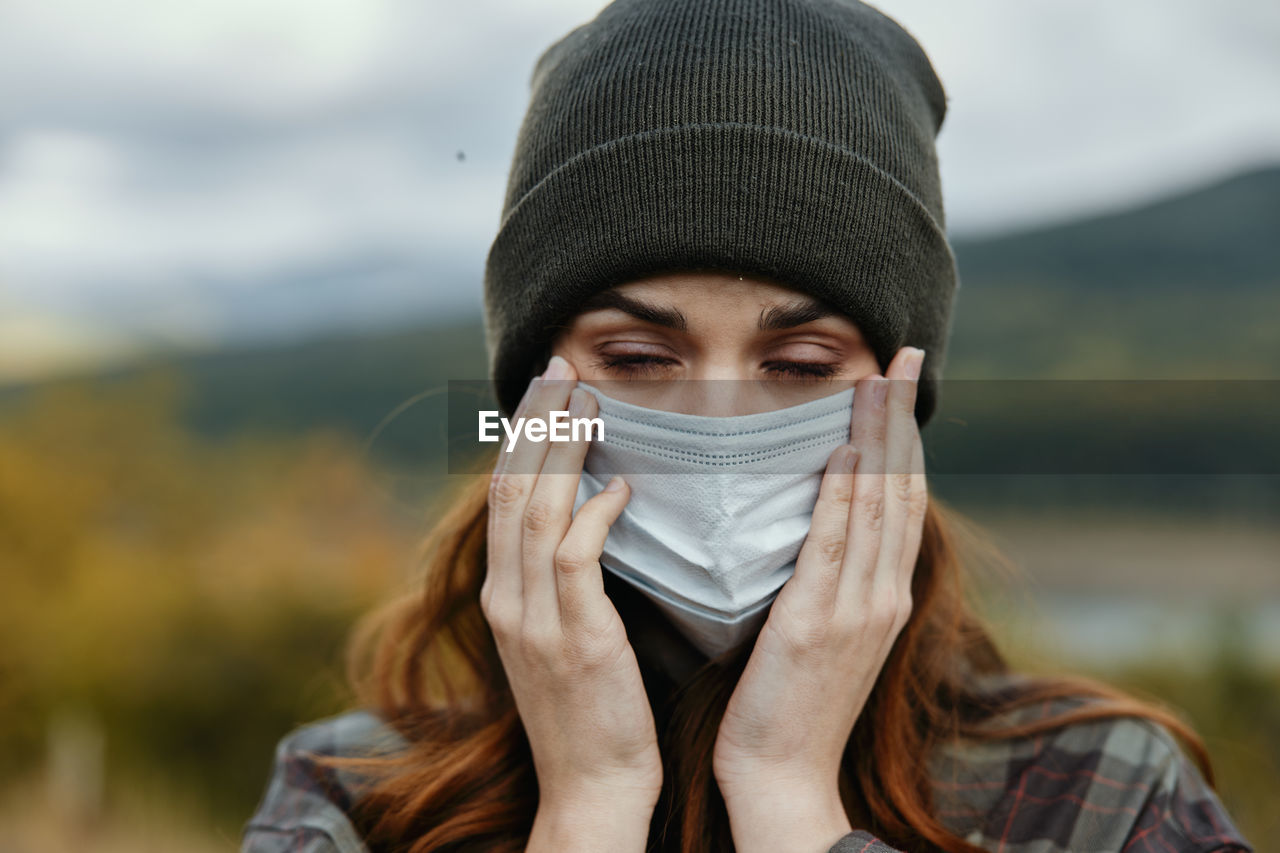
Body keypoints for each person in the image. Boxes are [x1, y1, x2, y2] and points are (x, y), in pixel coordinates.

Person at [242, 1, 1256, 851]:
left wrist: (788, 795)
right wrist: (587, 804)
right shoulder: (352, 796)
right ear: (530, 407)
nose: (716, 419)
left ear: (898, 406)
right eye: (638, 358)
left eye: (800, 365)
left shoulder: (1098, 797)